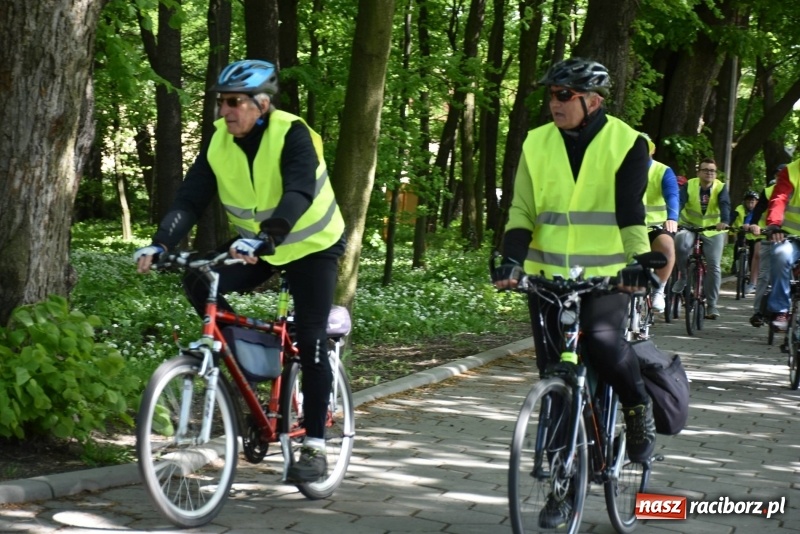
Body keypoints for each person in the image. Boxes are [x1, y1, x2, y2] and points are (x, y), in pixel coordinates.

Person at [133, 59, 346, 483]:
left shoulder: (292, 133)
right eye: (220, 103)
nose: (224, 111)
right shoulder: (218, 143)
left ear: (261, 104)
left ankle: (316, 446)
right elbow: (190, 199)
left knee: (310, 338)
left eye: (234, 102)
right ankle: (248, 365)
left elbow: (300, 189)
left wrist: (268, 235)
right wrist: (161, 243)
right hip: (259, 247)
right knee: (198, 279)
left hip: (311, 245)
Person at [492, 57, 655, 529]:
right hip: (547, 276)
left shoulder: (627, 143)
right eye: (551, 94)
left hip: (607, 274)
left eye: (564, 95)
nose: (554, 103)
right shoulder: (536, 141)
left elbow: (629, 213)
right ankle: (564, 488)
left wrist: (636, 264)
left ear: (593, 101)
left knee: (603, 343)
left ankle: (637, 405)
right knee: (558, 377)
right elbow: (522, 209)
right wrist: (511, 260)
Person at [671, 158, 731, 319]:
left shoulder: (720, 187)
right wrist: (673, 219)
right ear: (699, 172)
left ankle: (712, 305)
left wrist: (724, 222)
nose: (709, 173)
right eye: (705, 170)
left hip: (713, 230)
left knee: (714, 266)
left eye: (712, 170)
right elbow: (680, 202)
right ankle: (683, 277)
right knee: (680, 242)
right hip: (689, 226)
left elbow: (725, 204)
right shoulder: (689, 185)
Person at [641, 135, 679, 313]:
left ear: (652, 149)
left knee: (667, 246)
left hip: (656, 226)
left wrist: (672, 217)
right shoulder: (621, 168)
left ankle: (659, 290)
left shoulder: (662, 170)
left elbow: (672, 194)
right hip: (630, 226)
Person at [761, 161, 800, 331]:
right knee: (780, 254)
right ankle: (780, 310)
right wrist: (774, 225)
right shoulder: (790, 171)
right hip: (791, 236)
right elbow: (779, 198)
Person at [748, 168, 781, 326]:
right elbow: (758, 210)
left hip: (791, 238)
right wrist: (754, 224)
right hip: (769, 236)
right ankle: (758, 312)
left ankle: (787, 311)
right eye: (779, 174)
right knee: (764, 276)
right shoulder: (768, 191)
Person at [729, 190, 761, 294]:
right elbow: (733, 216)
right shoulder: (740, 208)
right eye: (748, 202)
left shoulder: (759, 209)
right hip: (742, 232)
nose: (750, 204)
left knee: (753, 254)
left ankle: (753, 276)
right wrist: (728, 224)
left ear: (757, 202)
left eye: (753, 202)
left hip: (754, 236)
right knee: (738, 245)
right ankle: (736, 263)